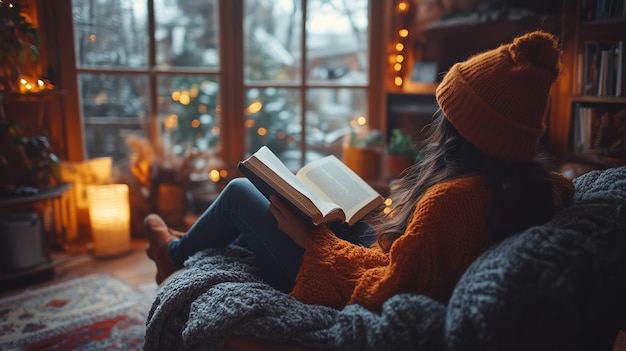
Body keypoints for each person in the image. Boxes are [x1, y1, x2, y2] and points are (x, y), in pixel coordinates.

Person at [145, 30, 575, 312]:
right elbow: (412, 256)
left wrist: (313, 239)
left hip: (330, 281)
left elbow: (386, 290)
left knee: (241, 191)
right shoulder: (535, 186)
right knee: (311, 205)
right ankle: (205, 245)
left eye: (447, 110)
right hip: (376, 253)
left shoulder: (451, 201)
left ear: (465, 129)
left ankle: (174, 255)